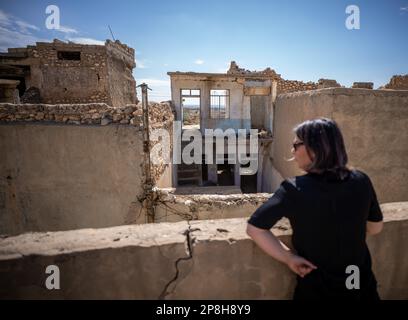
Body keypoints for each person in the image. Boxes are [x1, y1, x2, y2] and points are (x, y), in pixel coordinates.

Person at [246, 118, 383, 300]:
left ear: (314, 148)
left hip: (318, 290)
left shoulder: (294, 189)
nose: (292, 151)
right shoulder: (361, 180)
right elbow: (375, 228)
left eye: (296, 145)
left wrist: (289, 258)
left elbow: (255, 228)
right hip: (359, 284)